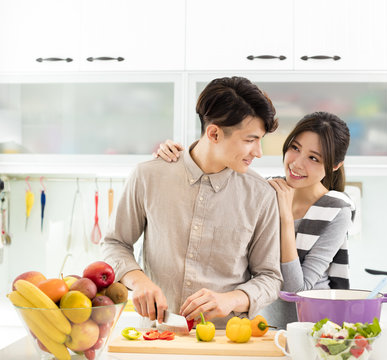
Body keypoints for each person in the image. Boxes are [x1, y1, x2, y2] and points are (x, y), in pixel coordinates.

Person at [102, 76, 283, 329]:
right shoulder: (149, 175)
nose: (258, 152)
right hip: (156, 336)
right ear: (214, 133)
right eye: (250, 140)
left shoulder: (261, 195)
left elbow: (270, 278)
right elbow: (115, 243)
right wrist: (139, 281)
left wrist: (230, 300)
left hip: (228, 342)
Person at [155, 111, 355, 328]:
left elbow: (296, 291)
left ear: (335, 166)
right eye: (295, 148)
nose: (297, 163)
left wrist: (285, 217)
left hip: (314, 328)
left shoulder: (336, 209)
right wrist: (179, 158)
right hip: (263, 327)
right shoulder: (265, 190)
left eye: (313, 158)